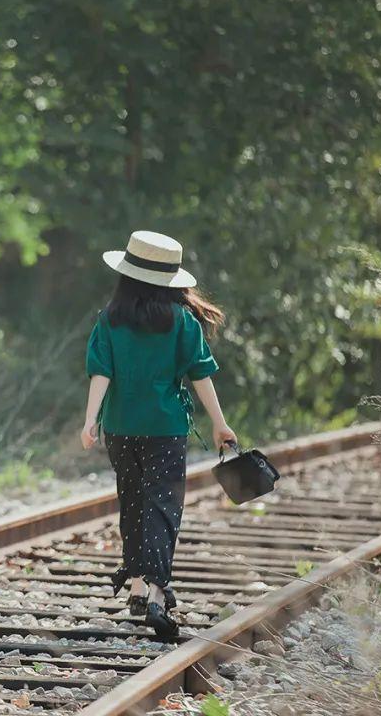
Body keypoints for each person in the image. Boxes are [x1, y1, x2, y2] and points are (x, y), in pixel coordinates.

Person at [81, 230, 235, 642]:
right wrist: (220, 423)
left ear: (127, 276)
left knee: (132, 501)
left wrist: (90, 419)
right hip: (165, 430)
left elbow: (101, 372)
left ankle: (136, 583)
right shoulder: (182, 322)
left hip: (120, 427)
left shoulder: (110, 319)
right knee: (162, 508)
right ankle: (154, 590)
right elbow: (200, 374)